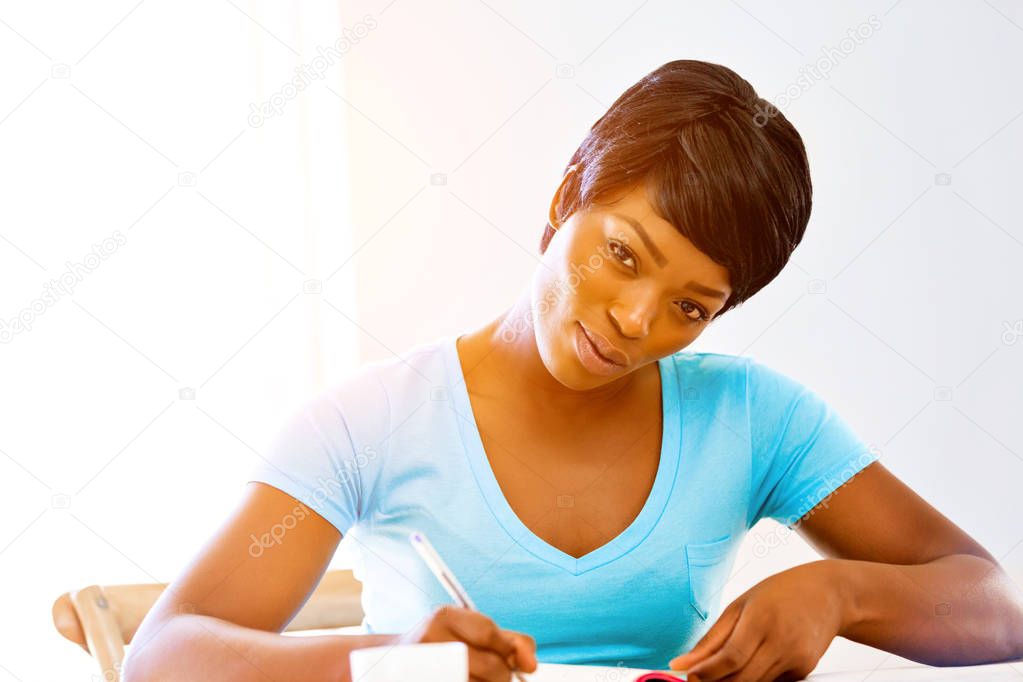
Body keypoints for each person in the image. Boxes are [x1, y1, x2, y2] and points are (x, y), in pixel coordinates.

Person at [123, 59, 1023, 682]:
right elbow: (162, 659)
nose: (635, 321)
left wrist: (840, 591)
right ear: (565, 200)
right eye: (624, 255)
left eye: (689, 308)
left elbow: (995, 606)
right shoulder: (370, 424)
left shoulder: (753, 421)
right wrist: (390, 662)